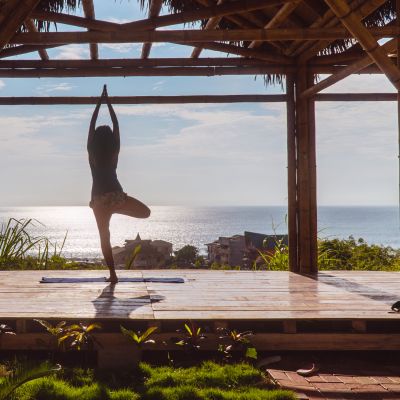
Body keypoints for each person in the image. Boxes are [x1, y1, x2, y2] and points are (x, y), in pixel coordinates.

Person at [88, 85, 150, 283]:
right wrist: (108, 102)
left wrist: (99, 102)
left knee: (104, 237)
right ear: (111, 142)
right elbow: (116, 125)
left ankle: (113, 275)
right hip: (116, 196)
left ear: (95, 141)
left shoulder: (92, 153)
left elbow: (91, 126)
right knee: (145, 212)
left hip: (98, 200)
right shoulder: (114, 152)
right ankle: (118, 209)